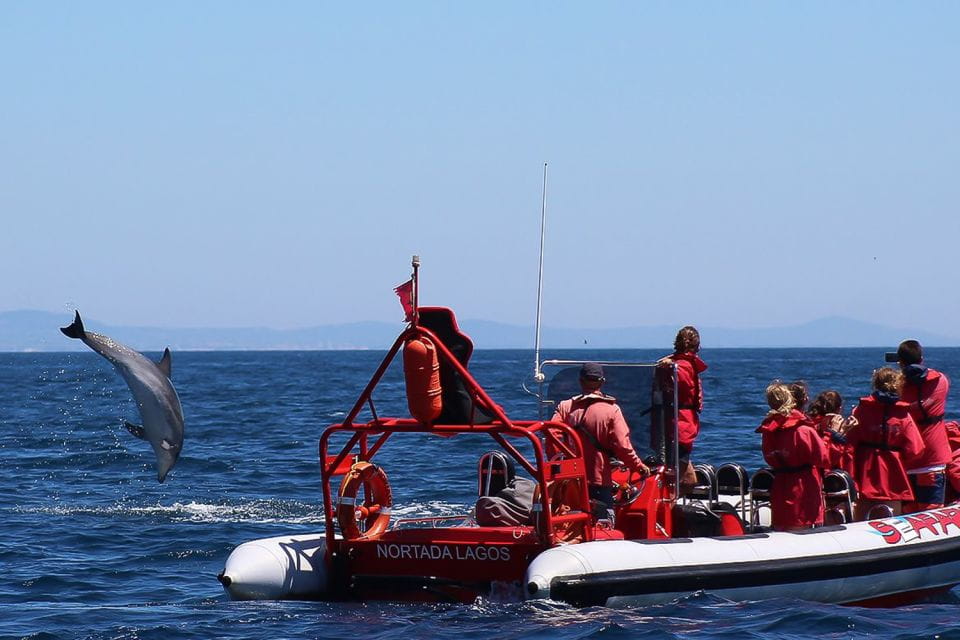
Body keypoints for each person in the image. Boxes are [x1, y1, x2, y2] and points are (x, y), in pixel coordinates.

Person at [552, 362, 649, 516]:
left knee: (570, 522)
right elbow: (623, 447)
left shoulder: (565, 407)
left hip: (570, 481)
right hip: (598, 482)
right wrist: (639, 467)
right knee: (604, 522)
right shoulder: (612, 410)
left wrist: (560, 464)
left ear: (581, 381)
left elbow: (551, 435)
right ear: (602, 382)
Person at [847, 367, 924, 519]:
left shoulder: (861, 410)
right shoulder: (902, 415)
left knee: (861, 521)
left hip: (865, 475)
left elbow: (849, 444)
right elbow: (916, 449)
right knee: (891, 519)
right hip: (893, 476)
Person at [756, 381, 830, 531]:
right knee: (804, 528)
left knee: (782, 527)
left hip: (781, 485)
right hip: (804, 487)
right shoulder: (803, 430)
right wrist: (830, 435)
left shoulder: (768, 432)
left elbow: (768, 457)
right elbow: (824, 458)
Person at [896, 340, 952, 512]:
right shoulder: (941, 381)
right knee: (931, 516)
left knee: (907, 518)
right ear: (921, 359)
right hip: (933, 459)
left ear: (900, 362)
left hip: (906, 460)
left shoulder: (897, 387)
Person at [659, 326, 707, 493]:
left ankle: (673, 504)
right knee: (677, 475)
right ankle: (670, 506)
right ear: (697, 346)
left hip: (680, 422)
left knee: (686, 475)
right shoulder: (682, 367)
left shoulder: (676, 365)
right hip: (680, 424)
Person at [807, 390, 857, 477]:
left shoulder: (808, 424)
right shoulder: (820, 428)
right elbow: (830, 458)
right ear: (839, 409)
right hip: (829, 478)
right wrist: (838, 435)